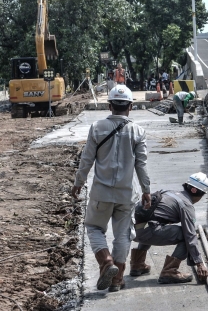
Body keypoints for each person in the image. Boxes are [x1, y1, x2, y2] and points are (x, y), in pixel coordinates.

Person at [71, 85, 152, 292]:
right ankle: (117, 280)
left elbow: (87, 159)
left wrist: (79, 182)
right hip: (126, 194)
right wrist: (146, 190)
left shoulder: (97, 127)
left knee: (93, 227)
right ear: (130, 107)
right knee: (123, 235)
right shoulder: (138, 131)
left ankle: (106, 262)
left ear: (110, 106)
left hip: (101, 193)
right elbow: (141, 165)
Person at [130, 173, 208, 284]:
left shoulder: (169, 192)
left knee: (153, 222)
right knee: (185, 235)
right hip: (145, 231)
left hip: (132, 228)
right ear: (197, 192)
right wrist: (199, 263)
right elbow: (190, 236)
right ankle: (169, 271)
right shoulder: (186, 205)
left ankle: (137, 264)